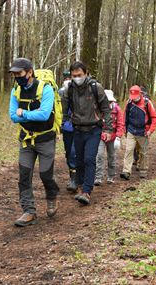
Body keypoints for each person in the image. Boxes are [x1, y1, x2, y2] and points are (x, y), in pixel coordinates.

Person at [8, 58, 59, 227]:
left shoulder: (45, 89)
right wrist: (28, 114)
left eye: (19, 73)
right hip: (26, 140)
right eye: (14, 74)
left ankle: (51, 198)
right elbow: (13, 116)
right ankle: (29, 211)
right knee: (24, 176)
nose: (17, 77)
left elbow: (44, 115)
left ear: (29, 72)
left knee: (46, 174)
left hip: (45, 138)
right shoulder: (16, 89)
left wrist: (24, 112)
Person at [62, 61, 113, 205]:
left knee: (89, 159)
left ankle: (86, 191)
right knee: (79, 160)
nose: (77, 78)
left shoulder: (95, 88)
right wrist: (63, 125)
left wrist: (108, 129)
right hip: (77, 129)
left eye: (79, 75)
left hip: (93, 130)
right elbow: (65, 110)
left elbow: (106, 110)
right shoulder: (69, 89)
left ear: (86, 73)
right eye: (74, 75)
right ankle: (80, 186)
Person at [121, 85, 156, 180]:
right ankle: (126, 171)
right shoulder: (129, 103)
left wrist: (150, 130)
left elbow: (154, 118)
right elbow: (125, 116)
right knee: (129, 150)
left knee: (143, 152)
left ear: (140, 94)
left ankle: (143, 170)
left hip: (143, 132)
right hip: (131, 130)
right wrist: (124, 129)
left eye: (136, 97)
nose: (134, 99)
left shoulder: (147, 103)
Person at [94, 90, 124, 185]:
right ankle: (98, 177)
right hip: (101, 135)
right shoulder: (98, 109)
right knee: (99, 155)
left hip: (113, 136)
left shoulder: (117, 109)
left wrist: (118, 137)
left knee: (111, 156)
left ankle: (111, 176)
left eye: (110, 101)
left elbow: (120, 123)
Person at [58, 70, 77, 191]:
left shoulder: (81, 90)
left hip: (80, 126)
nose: (67, 80)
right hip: (66, 127)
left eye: (69, 78)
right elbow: (60, 111)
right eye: (66, 78)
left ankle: (77, 180)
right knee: (69, 153)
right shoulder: (60, 92)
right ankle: (73, 178)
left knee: (75, 152)